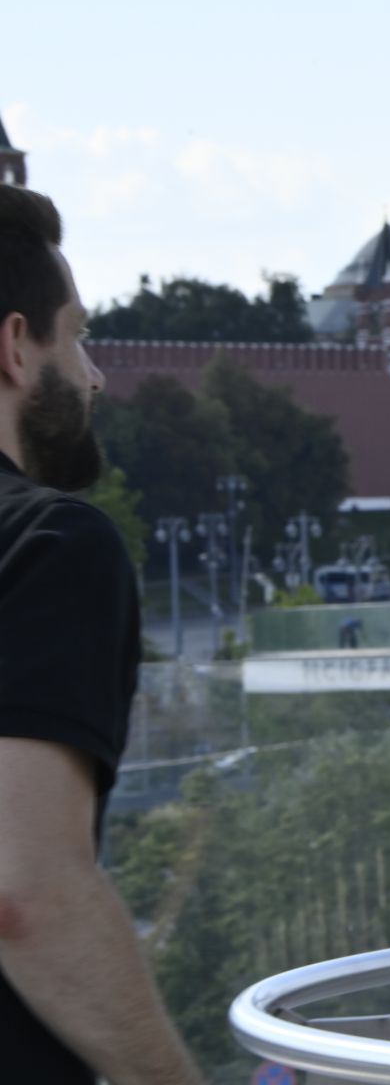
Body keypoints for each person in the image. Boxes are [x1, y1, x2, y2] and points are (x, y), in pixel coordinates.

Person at [0, 185, 203, 1084]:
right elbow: (26, 894)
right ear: (14, 346)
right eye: (76, 336)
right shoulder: (48, 543)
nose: (94, 375)